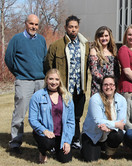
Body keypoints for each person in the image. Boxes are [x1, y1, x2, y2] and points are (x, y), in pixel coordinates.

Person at [44, 15, 89, 149]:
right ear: (65, 28)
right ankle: (55, 141)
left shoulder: (85, 45)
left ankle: (75, 139)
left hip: (79, 88)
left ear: (78, 28)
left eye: (75, 27)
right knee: (58, 116)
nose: (73, 30)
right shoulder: (56, 46)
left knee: (76, 117)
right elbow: (48, 66)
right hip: (64, 89)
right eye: (70, 27)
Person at [4, 14, 47, 154]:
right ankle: (15, 143)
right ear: (25, 24)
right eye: (31, 24)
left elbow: (44, 59)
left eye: (36, 24)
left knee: (42, 113)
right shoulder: (17, 39)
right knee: (20, 113)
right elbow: (9, 58)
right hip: (23, 81)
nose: (33, 27)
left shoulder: (41, 40)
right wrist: (18, 73)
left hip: (40, 81)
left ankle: (41, 140)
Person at [28, 69, 75, 163]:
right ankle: (42, 152)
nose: (54, 82)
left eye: (57, 79)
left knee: (65, 159)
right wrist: (44, 131)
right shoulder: (37, 96)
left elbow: (71, 121)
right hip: (44, 133)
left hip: (60, 135)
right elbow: (32, 119)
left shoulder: (67, 97)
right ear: (46, 80)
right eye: (51, 79)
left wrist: (67, 141)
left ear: (60, 81)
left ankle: (56, 148)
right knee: (47, 143)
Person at [81, 75, 127, 162]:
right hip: (93, 135)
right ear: (102, 86)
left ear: (115, 86)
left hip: (109, 133)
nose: (108, 87)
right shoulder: (95, 99)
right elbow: (98, 120)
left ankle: (109, 153)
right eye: (105, 85)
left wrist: (109, 128)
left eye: (111, 84)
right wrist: (115, 124)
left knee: (118, 135)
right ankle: (85, 147)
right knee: (91, 159)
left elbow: (122, 121)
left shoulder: (122, 100)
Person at [89, 26, 120, 96]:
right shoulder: (94, 51)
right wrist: (107, 82)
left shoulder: (113, 51)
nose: (104, 38)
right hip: (98, 88)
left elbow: (117, 72)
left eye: (106, 36)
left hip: (111, 88)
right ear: (97, 38)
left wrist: (113, 84)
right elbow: (94, 71)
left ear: (110, 37)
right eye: (101, 36)